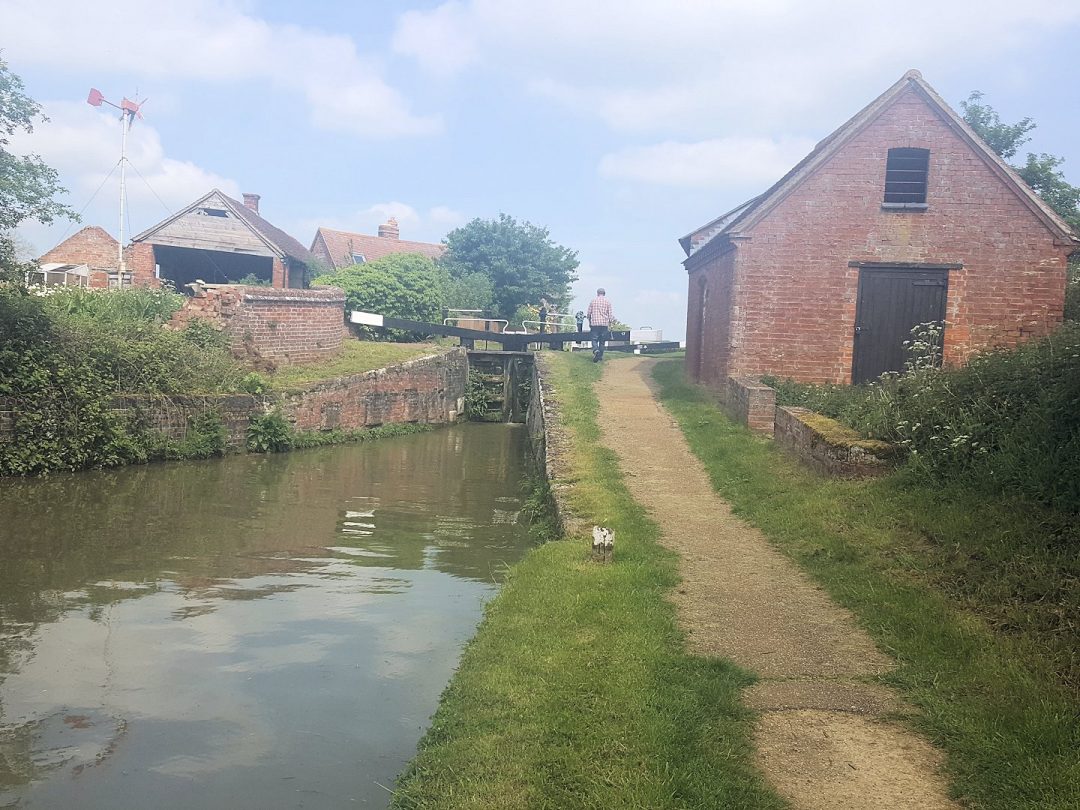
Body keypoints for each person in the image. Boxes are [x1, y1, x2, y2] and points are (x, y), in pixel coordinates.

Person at [586, 288, 613, 362]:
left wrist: (589, 321)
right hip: (604, 324)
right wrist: (610, 323)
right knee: (602, 341)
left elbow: (588, 314)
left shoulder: (593, 301)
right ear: (604, 293)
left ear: (597, 293)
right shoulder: (608, 302)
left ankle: (596, 350)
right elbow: (610, 315)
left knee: (594, 339)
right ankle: (600, 356)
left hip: (594, 324)